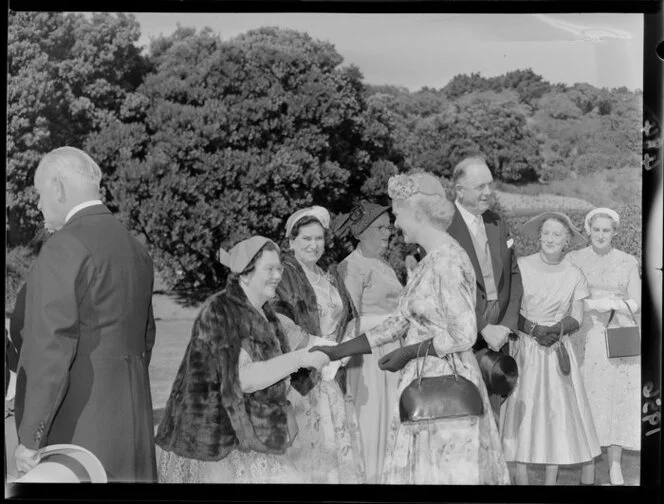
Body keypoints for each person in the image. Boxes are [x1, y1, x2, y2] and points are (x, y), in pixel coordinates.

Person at [311, 173, 511, 485]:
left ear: (417, 214)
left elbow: (463, 334)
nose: (396, 223)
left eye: (398, 213)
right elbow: (400, 321)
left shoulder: (447, 261)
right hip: (424, 379)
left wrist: (409, 352)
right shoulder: (431, 260)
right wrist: (340, 350)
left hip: (444, 383)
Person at [13, 146, 158, 482]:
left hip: (78, 432)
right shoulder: (136, 248)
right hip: (133, 428)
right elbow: (146, 338)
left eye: (39, 194)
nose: (38, 205)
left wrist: (31, 437)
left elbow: (50, 346)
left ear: (58, 188)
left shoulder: (65, 245)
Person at [155, 237, 330, 483]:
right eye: (269, 269)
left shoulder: (266, 314)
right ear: (245, 275)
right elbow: (244, 379)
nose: (278, 275)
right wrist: (299, 359)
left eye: (279, 268)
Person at [499, 212, 601, 485]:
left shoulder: (573, 273)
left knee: (557, 413)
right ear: (539, 236)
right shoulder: (522, 266)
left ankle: (550, 483)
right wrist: (533, 330)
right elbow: (510, 307)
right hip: (527, 349)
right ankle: (521, 479)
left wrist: (556, 330)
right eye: (546, 233)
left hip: (556, 348)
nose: (550, 239)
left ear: (567, 240)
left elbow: (577, 316)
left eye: (557, 234)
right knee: (526, 410)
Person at [273, 206, 364, 484]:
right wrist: (323, 350)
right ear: (291, 242)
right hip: (302, 379)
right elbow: (280, 322)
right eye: (306, 239)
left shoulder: (330, 275)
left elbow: (350, 316)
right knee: (306, 459)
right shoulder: (284, 275)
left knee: (334, 457)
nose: (314, 245)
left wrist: (345, 349)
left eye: (319, 238)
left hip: (333, 379)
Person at [567, 208, 641, 486]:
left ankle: (615, 465)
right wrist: (593, 301)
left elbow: (636, 301)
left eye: (606, 230)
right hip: (585, 338)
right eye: (596, 229)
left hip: (616, 337)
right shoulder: (574, 260)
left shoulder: (626, 261)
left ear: (614, 232)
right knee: (587, 398)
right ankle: (587, 465)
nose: (600, 235)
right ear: (588, 230)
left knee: (615, 400)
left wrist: (613, 303)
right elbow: (569, 297)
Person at [447, 156, 523, 418]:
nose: (488, 192)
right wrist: (483, 326)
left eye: (490, 185)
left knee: (494, 409)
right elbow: (446, 289)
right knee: (465, 410)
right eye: (480, 187)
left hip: (500, 329)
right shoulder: (443, 226)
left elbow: (514, 275)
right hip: (463, 330)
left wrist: (507, 324)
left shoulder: (497, 222)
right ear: (459, 190)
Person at [335, 201, 403, 484]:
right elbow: (348, 319)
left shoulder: (383, 263)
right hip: (369, 356)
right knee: (371, 419)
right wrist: (389, 324)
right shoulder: (352, 266)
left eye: (388, 226)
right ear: (360, 232)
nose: (387, 232)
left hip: (393, 350)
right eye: (380, 227)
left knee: (391, 418)